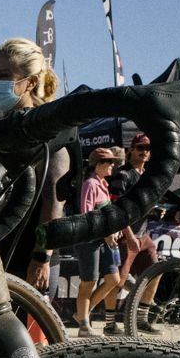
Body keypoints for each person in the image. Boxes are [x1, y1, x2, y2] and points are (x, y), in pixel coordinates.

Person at [0, 37, 66, 293]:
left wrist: (42, 258)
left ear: (31, 82)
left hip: (31, 253)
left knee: (25, 332)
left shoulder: (50, 129)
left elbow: (54, 201)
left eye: (4, 75)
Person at [107, 132, 161, 332]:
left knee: (156, 272)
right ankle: (110, 324)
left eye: (147, 149)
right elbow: (115, 206)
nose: (144, 153)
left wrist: (156, 210)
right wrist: (128, 235)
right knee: (116, 282)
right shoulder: (122, 174)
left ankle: (142, 319)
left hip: (144, 235)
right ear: (130, 150)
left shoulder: (147, 175)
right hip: (124, 235)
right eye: (140, 148)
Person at [70, 147, 125, 331]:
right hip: (89, 241)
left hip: (105, 241)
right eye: (110, 162)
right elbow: (87, 216)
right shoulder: (90, 184)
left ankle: (82, 315)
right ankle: (84, 326)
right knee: (89, 282)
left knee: (114, 279)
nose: (113, 166)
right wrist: (106, 233)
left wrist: (112, 231)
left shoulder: (103, 184)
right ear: (99, 164)